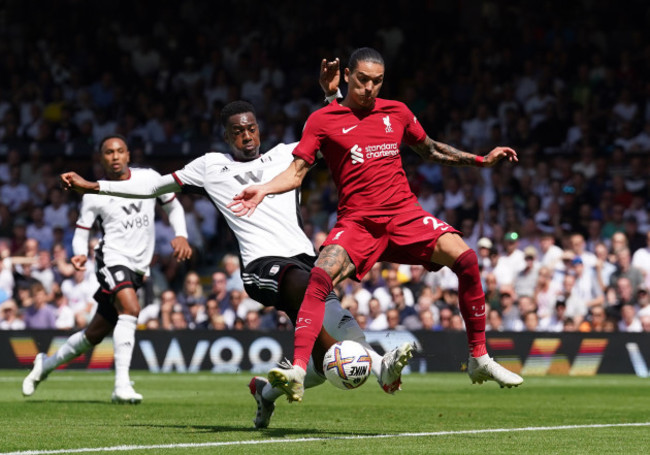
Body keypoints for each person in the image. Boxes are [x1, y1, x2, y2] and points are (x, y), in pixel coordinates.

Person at [60, 60, 414, 427]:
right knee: (308, 298)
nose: (246, 136)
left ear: (258, 130)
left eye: (251, 128)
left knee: (331, 344)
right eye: (238, 132)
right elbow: (152, 186)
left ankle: (266, 391)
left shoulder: (286, 155)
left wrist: (330, 95)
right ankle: (376, 366)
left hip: (306, 261)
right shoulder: (211, 166)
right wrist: (94, 186)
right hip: (263, 268)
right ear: (228, 137)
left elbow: (339, 131)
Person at [229, 47, 523, 401]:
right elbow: (295, 173)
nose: (370, 88)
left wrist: (481, 160)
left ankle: (479, 358)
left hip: (405, 216)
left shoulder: (396, 112)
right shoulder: (322, 120)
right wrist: (262, 189)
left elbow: (430, 150)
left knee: (467, 259)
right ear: (348, 77)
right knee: (318, 278)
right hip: (358, 223)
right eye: (364, 80)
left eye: (377, 81)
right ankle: (296, 369)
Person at [23, 134, 191, 404]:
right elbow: (81, 231)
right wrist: (79, 254)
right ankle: (121, 385)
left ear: (128, 155)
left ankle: (45, 365)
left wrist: (181, 234)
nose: (115, 157)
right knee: (131, 309)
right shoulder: (93, 194)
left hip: (138, 266)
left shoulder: (148, 178)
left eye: (119, 151)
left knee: (94, 334)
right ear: (101, 159)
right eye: (108, 152)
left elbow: (173, 206)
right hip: (112, 259)